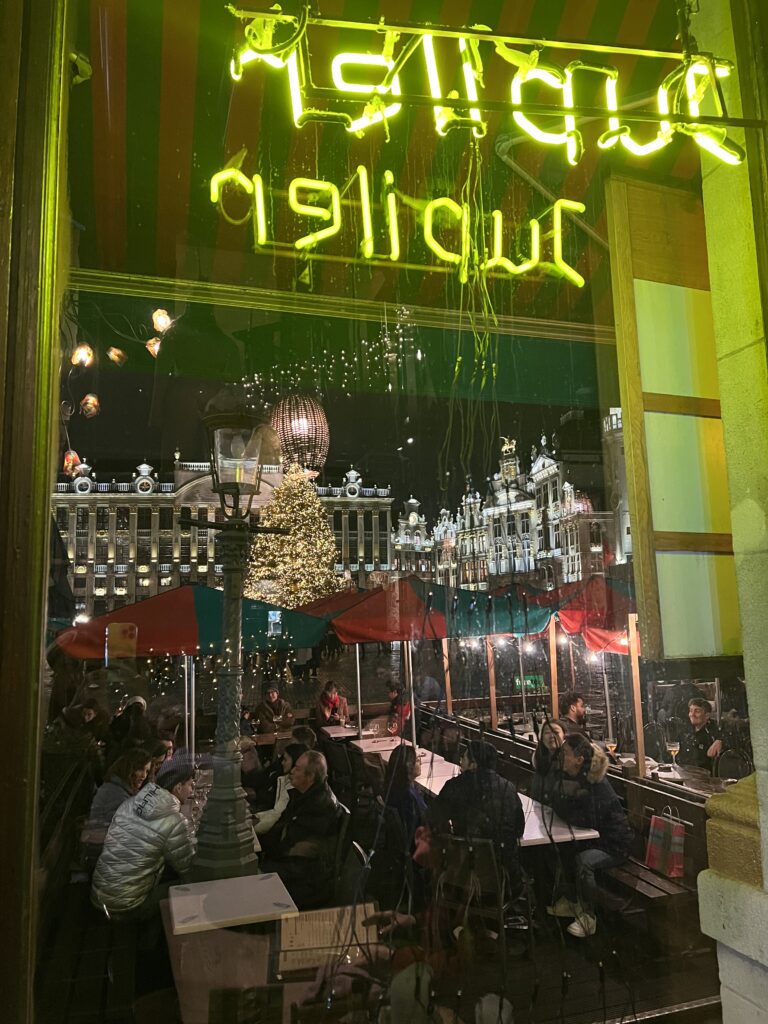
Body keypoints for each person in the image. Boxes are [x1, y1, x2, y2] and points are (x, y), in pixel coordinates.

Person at [548, 734, 634, 938]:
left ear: (579, 760)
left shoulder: (594, 783)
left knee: (583, 861)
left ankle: (589, 916)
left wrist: (563, 806)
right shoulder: (573, 776)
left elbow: (585, 818)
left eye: (565, 753)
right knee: (561, 849)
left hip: (614, 844)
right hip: (596, 838)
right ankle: (572, 901)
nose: (561, 757)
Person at [90, 755, 196, 920]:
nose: (192, 790)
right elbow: (188, 868)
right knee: (188, 888)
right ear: (178, 787)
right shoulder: (173, 821)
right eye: (190, 785)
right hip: (127, 906)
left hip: (101, 896)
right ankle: (158, 942)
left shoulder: (131, 803)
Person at [427, 740, 525, 893]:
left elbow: (433, 818)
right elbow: (519, 829)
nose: (461, 762)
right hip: (504, 878)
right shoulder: (508, 788)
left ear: (474, 763)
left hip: (462, 876)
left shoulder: (455, 786)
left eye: (464, 758)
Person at [259, 750, 344, 908]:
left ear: (310, 777)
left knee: (251, 878)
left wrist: (260, 848)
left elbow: (289, 844)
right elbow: (282, 830)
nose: (291, 771)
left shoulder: (318, 806)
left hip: (306, 879)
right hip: (293, 866)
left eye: (297, 769)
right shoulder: (302, 795)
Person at [82, 748, 152, 869]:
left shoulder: (119, 789)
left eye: (147, 771)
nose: (144, 776)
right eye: (141, 769)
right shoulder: (115, 792)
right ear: (128, 768)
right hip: (103, 856)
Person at [253, 743, 308, 835]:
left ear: (296, 762)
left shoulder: (293, 787)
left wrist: (252, 830)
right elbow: (275, 812)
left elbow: (277, 815)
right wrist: (255, 817)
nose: (282, 762)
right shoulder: (285, 779)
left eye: (285, 760)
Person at [383, 744, 427, 843]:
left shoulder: (393, 787)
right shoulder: (409, 797)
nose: (420, 762)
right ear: (408, 765)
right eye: (416, 760)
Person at [677, 696, 723, 771]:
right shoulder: (685, 729)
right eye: (691, 710)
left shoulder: (713, 731)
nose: (692, 714)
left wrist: (720, 741)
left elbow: (729, 738)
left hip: (703, 778)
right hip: (682, 772)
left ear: (707, 715)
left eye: (697, 711)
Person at [530, 720, 565, 805]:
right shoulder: (539, 759)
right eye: (547, 733)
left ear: (564, 736)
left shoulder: (567, 763)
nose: (551, 736)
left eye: (556, 732)